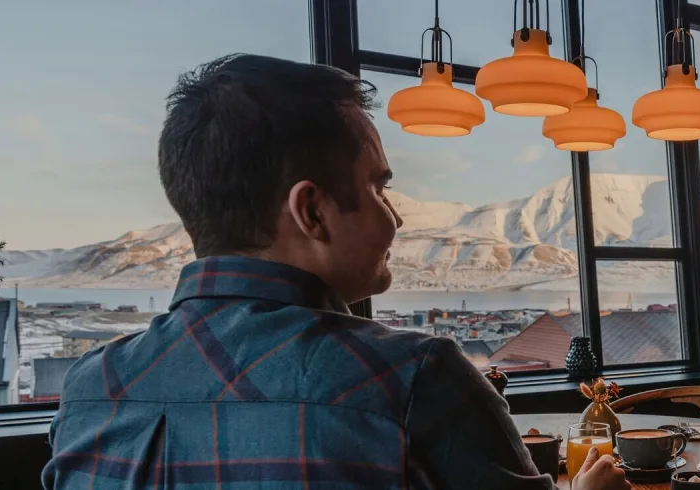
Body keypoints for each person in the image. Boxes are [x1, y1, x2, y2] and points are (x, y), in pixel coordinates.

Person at [41, 53, 629, 490]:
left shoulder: (92, 389)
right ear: (313, 211)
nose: (394, 218)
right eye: (378, 188)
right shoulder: (415, 378)